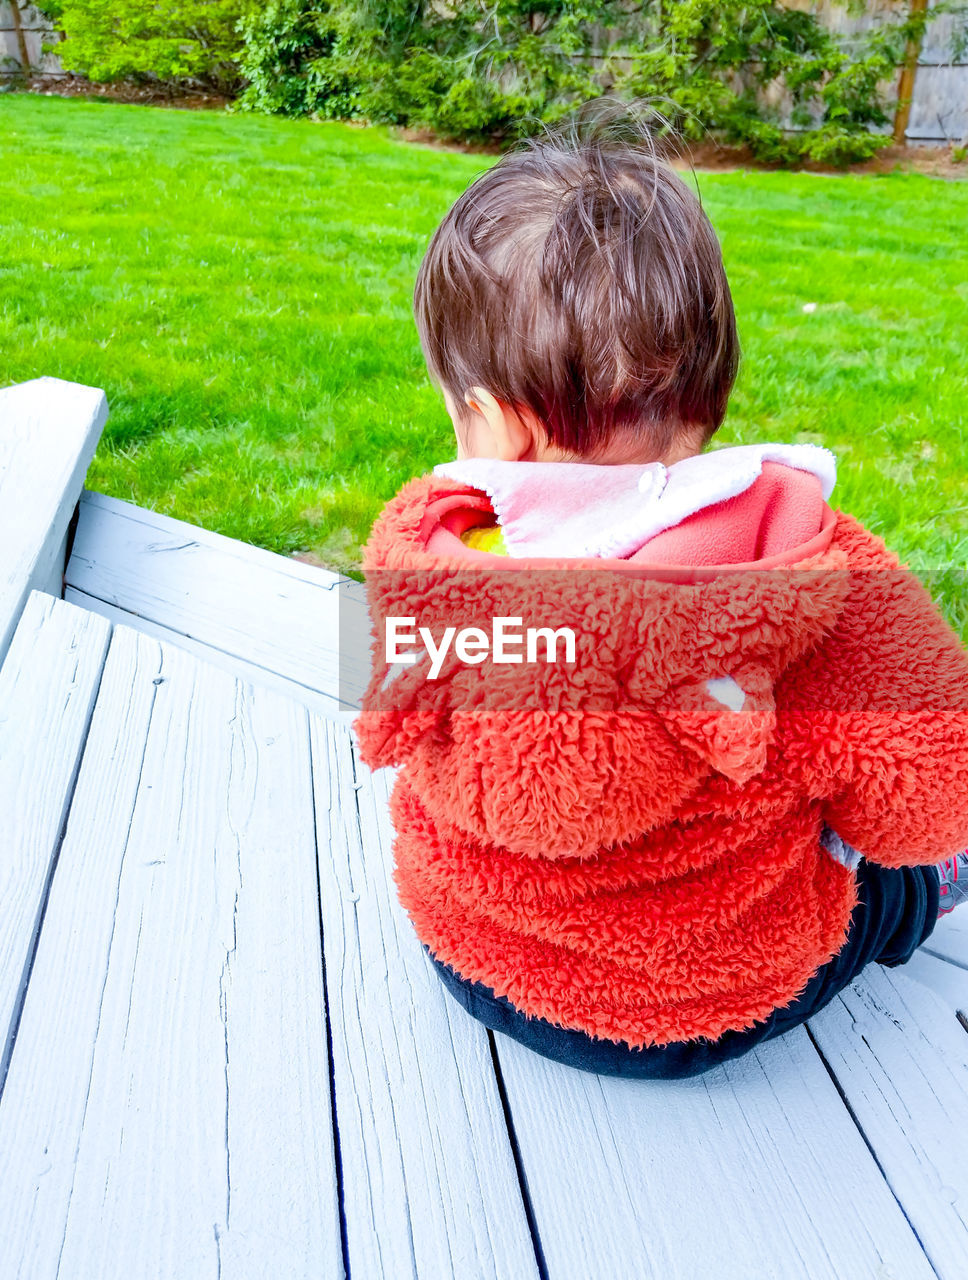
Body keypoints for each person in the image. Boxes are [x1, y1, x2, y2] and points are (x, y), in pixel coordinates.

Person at [353, 105, 968, 1078]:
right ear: (711, 388)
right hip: (705, 1008)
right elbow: (928, 798)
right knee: (896, 874)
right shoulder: (804, 567)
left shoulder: (422, 556)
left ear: (492, 423)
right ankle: (915, 907)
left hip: (465, 952)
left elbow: (388, 704)